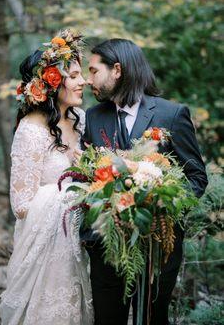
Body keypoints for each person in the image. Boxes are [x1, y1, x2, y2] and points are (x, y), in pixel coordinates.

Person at [81, 38, 208, 325]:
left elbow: (197, 177)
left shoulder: (171, 114)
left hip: (157, 248)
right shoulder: (93, 117)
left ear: (117, 70)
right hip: (105, 247)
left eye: (93, 71)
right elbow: (87, 178)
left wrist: (161, 205)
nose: (90, 80)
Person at [0, 29, 93, 325]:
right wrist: (74, 189)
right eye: (75, 75)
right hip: (43, 255)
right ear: (53, 82)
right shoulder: (31, 130)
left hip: (76, 246)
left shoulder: (81, 121)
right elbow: (22, 204)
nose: (84, 82)